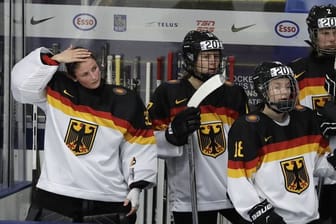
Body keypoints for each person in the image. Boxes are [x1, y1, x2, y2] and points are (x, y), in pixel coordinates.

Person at [11, 46, 157, 223]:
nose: (94, 76)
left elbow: (139, 145)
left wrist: (137, 186)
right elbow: (21, 85)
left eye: (94, 69)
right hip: (56, 195)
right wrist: (54, 59)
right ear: (73, 76)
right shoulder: (56, 89)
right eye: (85, 74)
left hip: (108, 197)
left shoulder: (125, 100)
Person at [147, 30, 250, 224]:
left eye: (216, 56)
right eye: (206, 56)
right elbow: (147, 141)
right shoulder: (168, 92)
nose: (212, 62)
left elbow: (245, 141)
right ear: (190, 58)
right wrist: (172, 134)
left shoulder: (234, 92)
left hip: (234, 190)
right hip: (190, 196)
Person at [227, 61, 336, 224]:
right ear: (262, 90)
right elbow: (238, 181)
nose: (284, 92)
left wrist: (333, 163)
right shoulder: (248, 127)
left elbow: (318, 165)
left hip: (310, 218)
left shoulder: (305, 117)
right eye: (277, 87)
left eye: (288, 86)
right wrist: (263, 215)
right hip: (275, 220)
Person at [287, 4, 336, 223]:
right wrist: (313, 123)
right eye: (325, 33)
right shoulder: (296, 70)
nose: (332, 38)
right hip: (312, 167)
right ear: (313, 34)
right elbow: (282, 118)